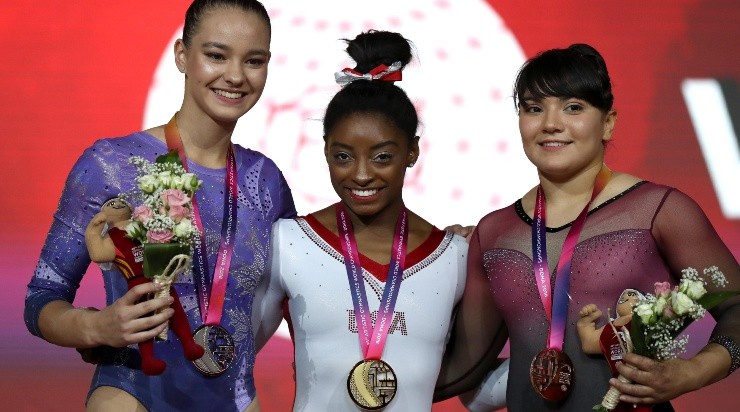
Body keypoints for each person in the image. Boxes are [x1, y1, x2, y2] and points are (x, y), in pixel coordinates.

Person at [434, 43, 740, 411]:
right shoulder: (494, 232)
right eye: (533, 109)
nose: (550, 123)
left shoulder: (658, 210)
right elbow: (462, 367)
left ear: (608, 122)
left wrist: (691, 374)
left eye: (573, 107)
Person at [24, 1, 296, 410]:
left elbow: (298, 297)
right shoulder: (109, 165)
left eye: (253, 60)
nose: (236, 75)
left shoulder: (267, 180)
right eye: (216, 55)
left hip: (236, 400)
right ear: (182, 56)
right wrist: (97, 327)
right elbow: (41, 299)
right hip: (132, 396)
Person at [252, 30, 468, 411]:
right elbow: (233, 353)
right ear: (325, 152)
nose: (362, 175)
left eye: (382, 157)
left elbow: (473, 384)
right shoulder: (288, 242)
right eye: (343, 156)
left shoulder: (454, 256)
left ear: (412, 151)